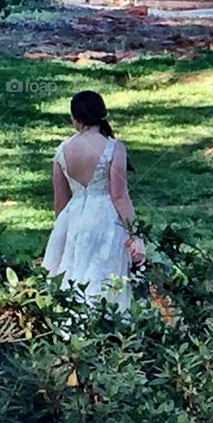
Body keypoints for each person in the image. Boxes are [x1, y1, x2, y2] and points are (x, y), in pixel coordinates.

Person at [41, 91, 145, 312]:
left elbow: (60, 200)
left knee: (72, 274)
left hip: (74, 217)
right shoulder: (113, 147)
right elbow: (119, 196)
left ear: (75, 118)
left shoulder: (62, 150)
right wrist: (135, 235)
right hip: (106, 217)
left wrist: (62, 230)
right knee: (104, 275)